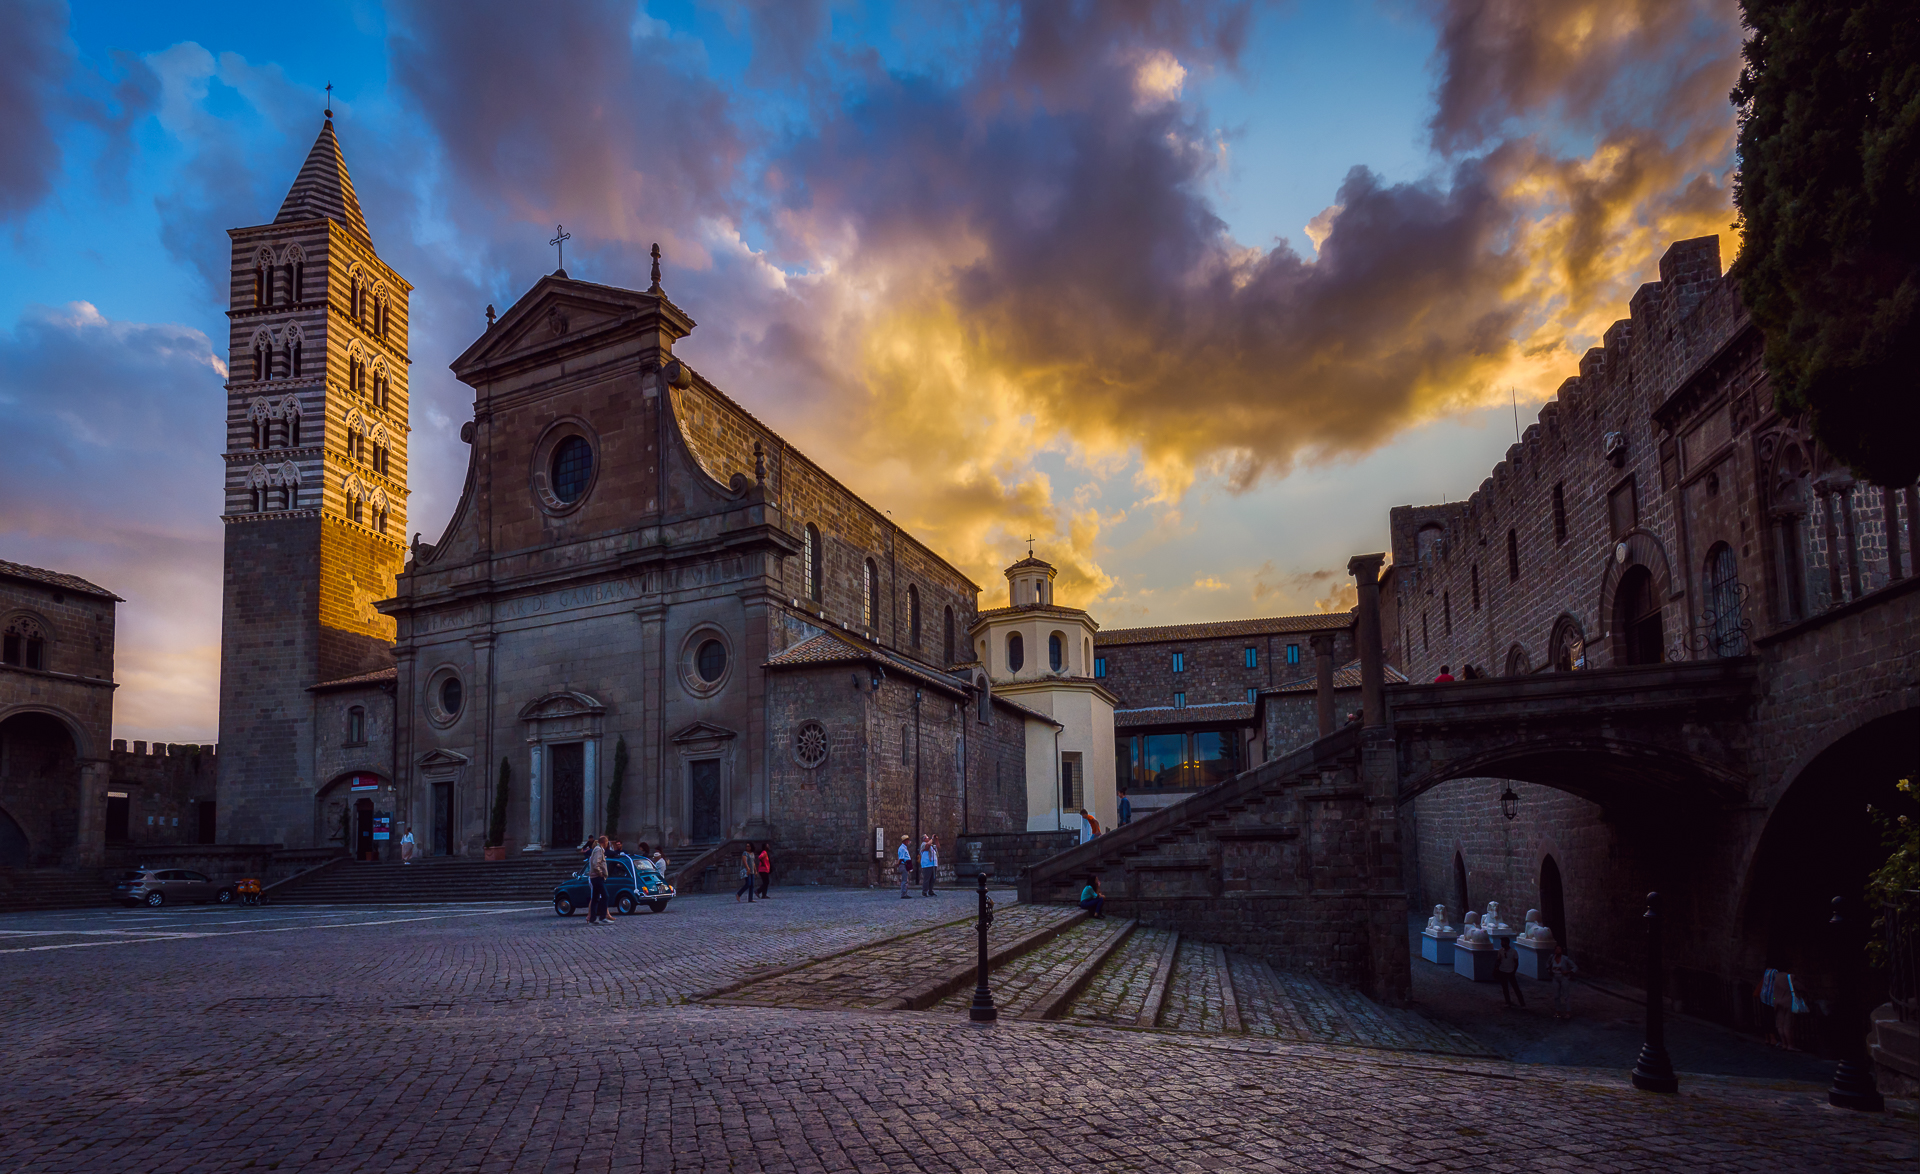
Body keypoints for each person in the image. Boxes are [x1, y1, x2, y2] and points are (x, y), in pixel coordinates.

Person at [1549, 943, 1578, 1019]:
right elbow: (1548, 965)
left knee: (1566, 995)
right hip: (1555, 977)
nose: (1557, 950)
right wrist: (1550, 971)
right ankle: (1558, 1011)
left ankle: (1568, 1012)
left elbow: (1574, 967)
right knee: (1556, 996)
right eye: (1556, 949)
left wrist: (1568, 972)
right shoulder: (1552, 958)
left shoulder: (1565, 959)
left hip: (1563, 978)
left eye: (1559, 949)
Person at [586, 836, 609, 926]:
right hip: (597, 877)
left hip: (593, 877)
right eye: (607, 842)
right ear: (604, 842)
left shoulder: (596, 849)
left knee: (595, 898)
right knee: (605, 896)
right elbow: (596, 864)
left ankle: (592, 919)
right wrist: (600, 873)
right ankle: (602, 917)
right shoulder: (599, 849)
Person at [1494, 939, 1525, 1008]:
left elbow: (1516, 962)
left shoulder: (1513, 952)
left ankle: (1522, 1004)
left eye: (1503, 942)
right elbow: (1499, 960)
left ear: (1507, 943)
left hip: (1510, 972)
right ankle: (1508, 1002)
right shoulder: (1500, 951)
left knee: (1516, 988)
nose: (1501, 943)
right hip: (1502, 971)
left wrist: (1514, 971)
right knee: (1505, 988)